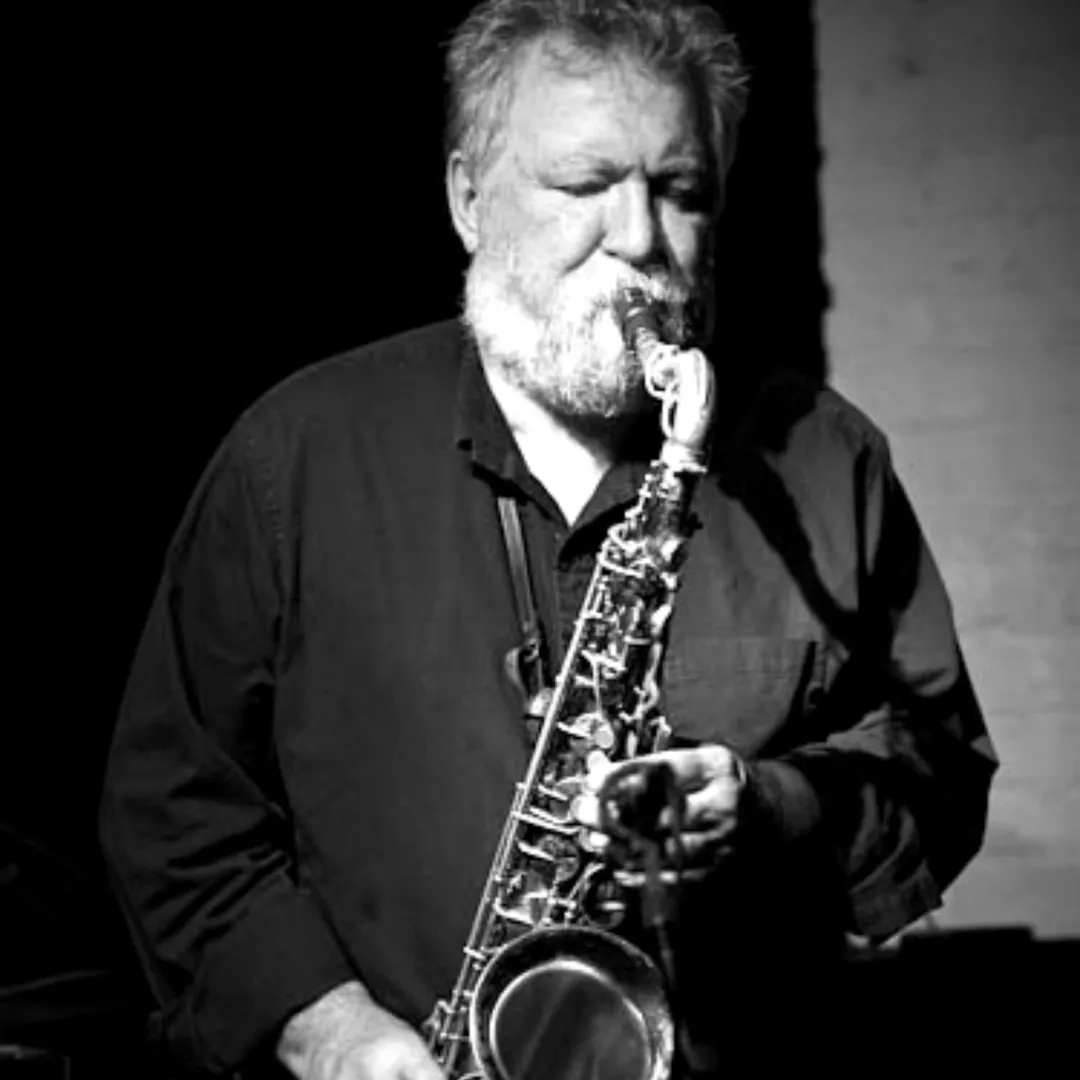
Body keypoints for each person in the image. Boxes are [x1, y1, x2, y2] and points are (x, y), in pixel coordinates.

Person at [99, 1, 999, 1077]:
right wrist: (331, 1034)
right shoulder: (293, 456)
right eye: (583, 186)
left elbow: (940, 771)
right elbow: (174, 813)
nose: (640, 239)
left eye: (681, 191)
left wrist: (770, 806)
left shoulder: (825, 456)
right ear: (467, 199)